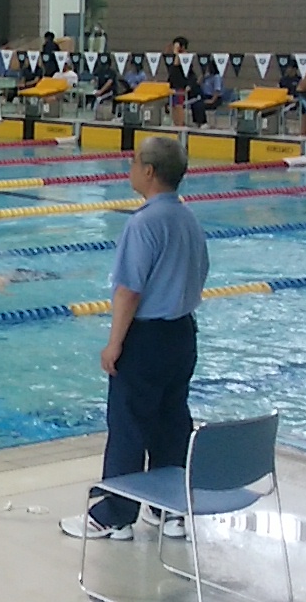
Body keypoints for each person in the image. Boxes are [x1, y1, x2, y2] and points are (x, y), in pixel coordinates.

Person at [60, 137, 208, 542]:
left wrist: (114, 343)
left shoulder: (143, 223)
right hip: (182, 334)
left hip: (146, 338)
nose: (129, 168)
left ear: (149, 171)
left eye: (133, 162)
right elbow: (201, 275)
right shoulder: (188, 219)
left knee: (128, 424)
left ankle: (115, 515)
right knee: (172, 421)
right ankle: (170, 510)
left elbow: (128, 291)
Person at [189, 59, 226, 128]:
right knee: (194, 104)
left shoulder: (217, 77)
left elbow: (217, 90)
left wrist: (212, 100)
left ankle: (204, 122)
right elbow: (198, 83)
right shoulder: (208, 76)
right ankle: (197, 121)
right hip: (205, 96)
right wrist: (202, 76)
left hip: (215, 98)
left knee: (200, 105)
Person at [164, 36, 191, 127]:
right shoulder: (175, 56)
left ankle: (180, 124)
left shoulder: (185, 56)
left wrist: (176, 52)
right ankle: (176, 124)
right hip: (173, 85)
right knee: (173, 105)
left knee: (178, 105)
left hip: (180, 85)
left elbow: (176, 65)